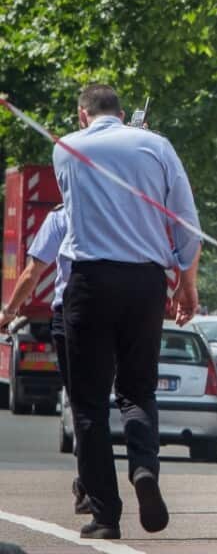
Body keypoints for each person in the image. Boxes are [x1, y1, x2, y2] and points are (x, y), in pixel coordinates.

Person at [54, 85, 201, 540]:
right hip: (145, 283)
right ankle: (144, 469)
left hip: (91, 281)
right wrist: (185, 282)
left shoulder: (66, 150)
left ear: (83, 115)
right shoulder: (156, 146)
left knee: (90, 404)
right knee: (138, 391)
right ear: (120, 113)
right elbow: (185, 222)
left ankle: (105, 514)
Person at [0, 204, 91, 515]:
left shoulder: (62, 216)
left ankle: (92, 487)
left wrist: (10, 311)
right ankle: (143, 469)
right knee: (131, 398)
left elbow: (32, 271)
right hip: (125, 315)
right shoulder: (121, 210)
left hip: (72, 315)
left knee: (84, 406)